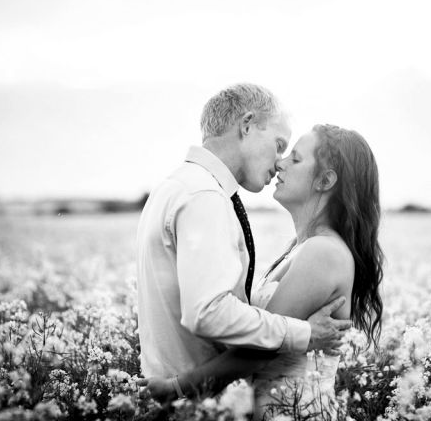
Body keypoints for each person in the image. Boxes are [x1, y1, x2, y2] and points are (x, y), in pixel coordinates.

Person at [144, 123, 385, 420]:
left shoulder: (323, 253)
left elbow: (260, 350)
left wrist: (177, 390)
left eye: (295, 158)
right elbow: (262, 332)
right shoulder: (299, 247)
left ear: (325, 180)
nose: (280, 163)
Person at [135, 84, 351, 386]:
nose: (279, 162)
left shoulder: (177, 186)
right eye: (278, 144)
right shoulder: (203, 195)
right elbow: (208, 312)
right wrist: (305, 333)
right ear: (247, 125)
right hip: (193, 403)